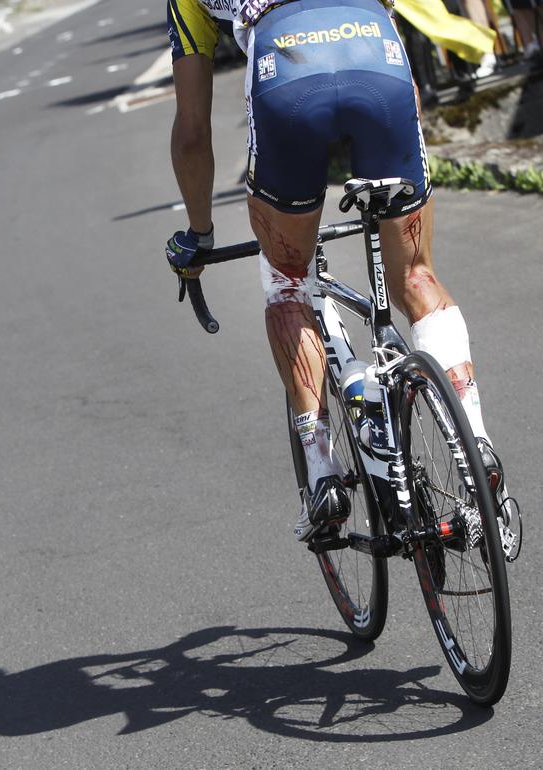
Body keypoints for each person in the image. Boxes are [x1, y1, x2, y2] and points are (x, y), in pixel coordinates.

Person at [165, 0, 510, 542]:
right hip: (377, 59)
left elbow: (191, 130)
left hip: (286, 79)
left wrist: (199, 233)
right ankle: (475, 441)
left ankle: (323, 473)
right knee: (416, 276)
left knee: (286, 279)